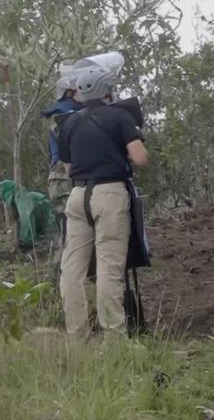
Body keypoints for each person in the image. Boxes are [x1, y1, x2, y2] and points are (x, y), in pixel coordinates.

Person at [57, 65, 149, 337]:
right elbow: (140, 157)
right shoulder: (119, 117)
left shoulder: (69, 122)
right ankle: (114, 337)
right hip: (109, 194)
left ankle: (77, 339)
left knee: (71, 270)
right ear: (107, 90)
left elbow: (66, 165)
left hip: (77, 197)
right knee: (109, 267)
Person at [40, 75, 83, 247]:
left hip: (72, 173)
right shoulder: (61, 114)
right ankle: (61, 271)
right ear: (70, 92)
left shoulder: (75, 110)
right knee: (69, 231)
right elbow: (69, 141)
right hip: (63, 175)